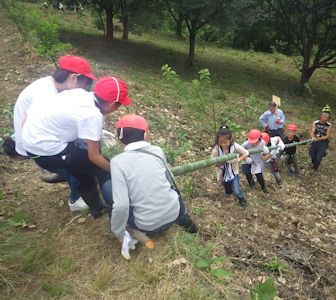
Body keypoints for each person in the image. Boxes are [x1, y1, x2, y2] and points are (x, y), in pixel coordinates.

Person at [22, 76, 131, 219]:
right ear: (112, 105)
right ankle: (113, 209)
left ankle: (96, 210)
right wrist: (117, 171)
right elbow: (94, 157)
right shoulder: (93, 115)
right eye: (119, 105)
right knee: (102, 169)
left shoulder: (79, 93)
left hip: (33, 139)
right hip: (44, 151)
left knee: (84, 169)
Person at [13, 55, 96, 211]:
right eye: (85, 84)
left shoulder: (53, 85)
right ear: (74, 78)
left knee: (74, 154)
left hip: (40, 140)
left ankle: (62, 172)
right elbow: (27, 122)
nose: (85, 89)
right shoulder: (45, 93)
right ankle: (76, 199)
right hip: (37, 145)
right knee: (75, 163)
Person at [110, 115, 198, 255]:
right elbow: (169, 178)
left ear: (120, 139)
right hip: (173, 214)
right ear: (146, 135)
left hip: (148, 227)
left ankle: (130, 233)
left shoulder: (117, 162)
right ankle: (191, 228)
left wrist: (117, 231)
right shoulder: (157, 151)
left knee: (110, 191)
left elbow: (121, 206)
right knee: (172, 193)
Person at [211, 126, 249, 208]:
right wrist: (222, 162)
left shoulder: (235, 146)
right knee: (227, 190)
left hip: (233, 172)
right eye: (221, 143)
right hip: (222, 174)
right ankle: (229, 194)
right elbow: (213, 162)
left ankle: (243, 201)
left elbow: (245, 153)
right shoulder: (216, 149)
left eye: (226, 142)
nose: (223, 145)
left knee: (236, 190)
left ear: (230, 140)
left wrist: (237, 160)